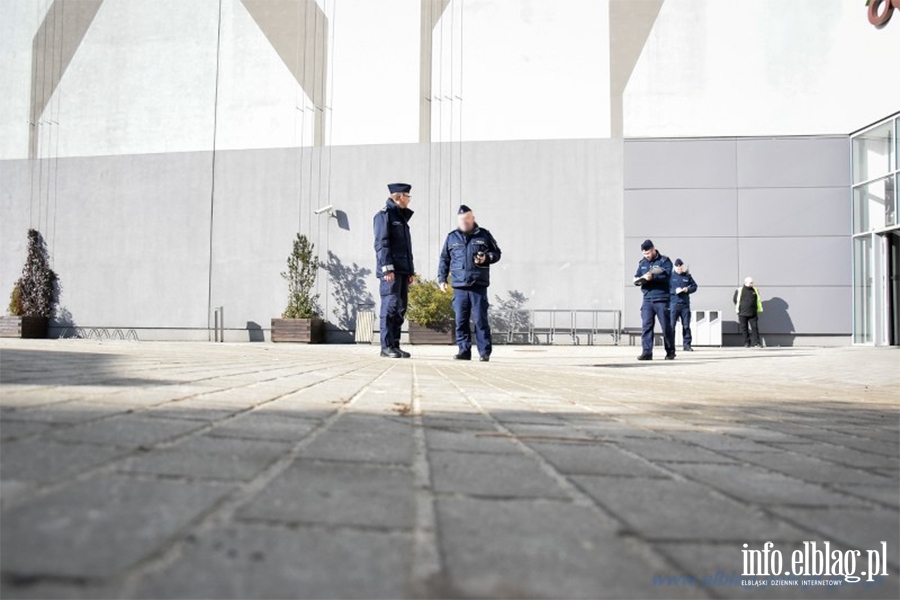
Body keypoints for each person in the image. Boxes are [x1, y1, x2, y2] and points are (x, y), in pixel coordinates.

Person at [437, 205, 501, 361]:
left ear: (473, 218)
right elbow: (444, 259)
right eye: (461, 220)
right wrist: (442, 279)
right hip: (459, 287)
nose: (464, 222)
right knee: (460, 321)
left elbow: (497, 253)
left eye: (467, 219)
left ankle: (484, 353)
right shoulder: (451, 237)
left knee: (480, 320)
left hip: (478, 285)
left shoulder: (484, 235)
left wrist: (486, 258)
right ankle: (464, 351)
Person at [373, 183, 415, 358]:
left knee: (400, 308)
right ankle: (386, 346)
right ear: (399, 197)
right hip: (391, 271)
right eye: (408, 197)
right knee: (390, 306)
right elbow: (382, 244)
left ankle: (395, 344)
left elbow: (406, 248)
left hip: (403, 271)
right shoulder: (384, 216)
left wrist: (410, 271)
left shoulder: (402, 218)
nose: (409, 200)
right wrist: (387, 268)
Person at [633, 239, 675, 360]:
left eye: (648, 253)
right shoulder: (642, 263)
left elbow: (667, 276)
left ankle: (670, 351)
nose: (647, 256)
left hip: (662, 298)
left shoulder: (664, 261)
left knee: (666, 327)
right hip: (647, 299)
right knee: (646, 326)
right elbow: (637, 275)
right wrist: (638, 279)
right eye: (644, 254)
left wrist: (653, 277)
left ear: (653, 249)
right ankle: (647, 352)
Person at [669, 258, 698, 351]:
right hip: (673, 304)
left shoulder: (687, 276)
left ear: (683, 267)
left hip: (685, 305)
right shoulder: (670, 276)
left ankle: (687, 345)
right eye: (677, 268)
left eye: (681, 268)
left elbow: (694, 286)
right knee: (671, 326)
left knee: (686, 326)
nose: (679, 269)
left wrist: (687, 289)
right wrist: (674, 291)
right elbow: (665, 289)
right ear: (674, 267)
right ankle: (670, 346)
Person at [733, 276, 763, 348]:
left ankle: (757, 343)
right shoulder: (739, 290)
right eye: (751, 282)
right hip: (742, 313)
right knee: (744, 328)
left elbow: (757, 300)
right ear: (746, 282)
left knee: (755, 328)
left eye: (752, 282)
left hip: (753, 313)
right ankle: (747, 343)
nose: (752, 284)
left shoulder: (755, 290)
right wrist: (740, 307)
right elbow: (735, 300)